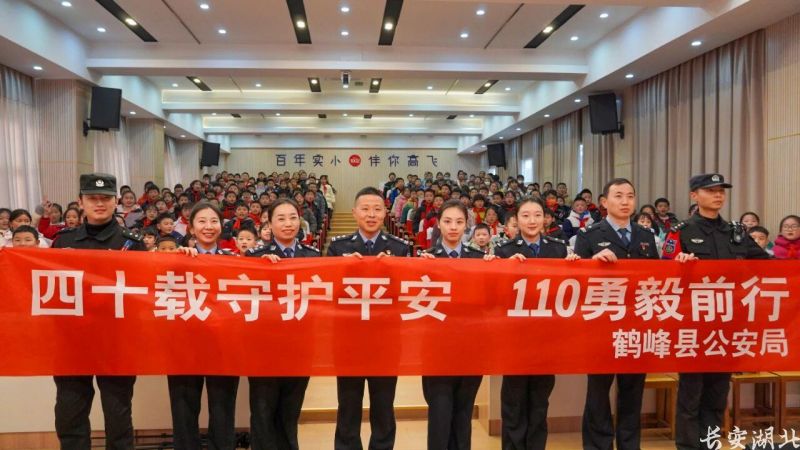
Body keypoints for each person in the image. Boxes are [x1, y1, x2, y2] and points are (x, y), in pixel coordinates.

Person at [661, 173, 768, 450]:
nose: (718, 195)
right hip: (694, 326)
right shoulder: (681, 231)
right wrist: (678, 264)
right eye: (710, 191)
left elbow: (769, 265)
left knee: (718, 393)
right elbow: (662, 273)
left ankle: (710, 445)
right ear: (694, 196)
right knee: (691, 393)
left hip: (728, 324)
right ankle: (688, 446)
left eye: (721, 190)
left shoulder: (735, 231)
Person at [51, 173, 145, 450]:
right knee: (69, 414)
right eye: (92, 198)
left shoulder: (132, 244)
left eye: (105, 198)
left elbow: (142, 295)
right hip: (73, 343)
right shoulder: (63, 242)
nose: (99, 203)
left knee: (118, 416)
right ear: (80, 202)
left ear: (116, 201)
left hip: (116, 342)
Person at [574, 178, 659, 450]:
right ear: (604, 202)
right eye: (618, 196)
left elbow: (657, 279)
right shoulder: (589, 235)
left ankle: (629, 445)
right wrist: (593, 264)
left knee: (632, 393)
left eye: (630, 196)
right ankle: (598, 445)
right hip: (601, 327)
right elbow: (576, 282)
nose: (625, 201)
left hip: (636, 326)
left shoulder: (646, 236)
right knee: (598, 393)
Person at [326, 187, 410, 450]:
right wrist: (344, 269)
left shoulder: (400, 248)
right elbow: (328, 293)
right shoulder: (338, 248)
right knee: (348, 406)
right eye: (365, 209)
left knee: (383, 407)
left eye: (377, 209)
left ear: (386, 213)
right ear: (354, 213)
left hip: (386, 342)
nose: (371, 215)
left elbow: (408, 295)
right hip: (348, 341)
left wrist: (393, 271)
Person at [494, 197, 580, 450]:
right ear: (516, 220)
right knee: (513, 403)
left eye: (537, 215)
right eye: (525, 216)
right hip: (514, 340)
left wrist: (575, 267)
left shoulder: (559, 250)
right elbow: (494, 296)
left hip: (546, 341)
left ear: (546, 219)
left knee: (540, 403)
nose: (531, 221)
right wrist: (503, 269)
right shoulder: (504, 251)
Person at [245, 199, 320, 450]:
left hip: (299, 347)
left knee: (290, 412)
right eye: (281, 218)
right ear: (269, 223)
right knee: (262, 411)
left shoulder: (313, 256)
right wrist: (261, 269)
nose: (288, 224)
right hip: (263, 348)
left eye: (293, 218)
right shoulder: (254, 257)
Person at [418, 200, 492, 450]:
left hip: (471, 349)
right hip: (436, 351)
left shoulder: (480, 260)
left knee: (463, 413)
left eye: (459, 222)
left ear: (466, 225)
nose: (453, 227)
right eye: (447, 221)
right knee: (439, 414)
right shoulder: (426, 259)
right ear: (438, 224)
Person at [170, 202, 239, 450]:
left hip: (223, 347)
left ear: (221, 226)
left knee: (223, 409)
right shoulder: (177, 260)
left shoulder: (235, 261)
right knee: (183, 409)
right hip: (184, 347)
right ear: (190, 228)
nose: (208, 227)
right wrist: (175, 260)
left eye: (213, 221)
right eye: (201, 221)